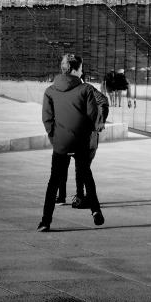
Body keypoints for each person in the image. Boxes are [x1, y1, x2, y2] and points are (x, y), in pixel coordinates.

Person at [38, 54, 105, 231]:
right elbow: (93, 117)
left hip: (61, 143)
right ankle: (96, 210)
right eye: (81, 68)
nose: (83, 71)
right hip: (81, 142)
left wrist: (55, 138)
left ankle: (45, 221)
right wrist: (86, 133)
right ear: (75, 70)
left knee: (53, 181)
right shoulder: (86, 89)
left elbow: (47, 118)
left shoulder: (50, 91)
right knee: (86, 176)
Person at [59, 72, 108, 208]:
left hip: (74, 134)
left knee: (71, 164)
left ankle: (69, 196)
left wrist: (99, 122)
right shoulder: (83, 89)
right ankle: (77, 196)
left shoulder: (66, 89)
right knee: (80, 165)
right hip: (79, 134)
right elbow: (103, 101)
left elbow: (103, 101)